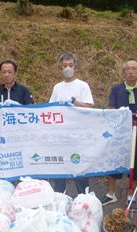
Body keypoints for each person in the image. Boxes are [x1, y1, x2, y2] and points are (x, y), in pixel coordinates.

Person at [100, 58, 137, 206]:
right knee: (114, 160)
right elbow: (110, 109)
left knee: (136, 161)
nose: (131, 71)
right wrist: (118, 112)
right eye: (128, 68)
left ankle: (131, 194)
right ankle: (111, 193)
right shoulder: (116, 89)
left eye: (134, 68)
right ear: (123, 72)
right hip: (119, 132)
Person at [49, 52, 94, 194]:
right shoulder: (57, 87)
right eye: (64, 66)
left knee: (78, 165)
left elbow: (89, 107)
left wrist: (74, 101)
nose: (67, 68)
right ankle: (59, 195)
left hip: (78, 134)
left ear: (76, 67)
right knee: (60, 165)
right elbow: (50, 108)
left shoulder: (82, 85)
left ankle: (84, 196)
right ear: (60, 68)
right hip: (60, 133)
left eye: (70, 65)